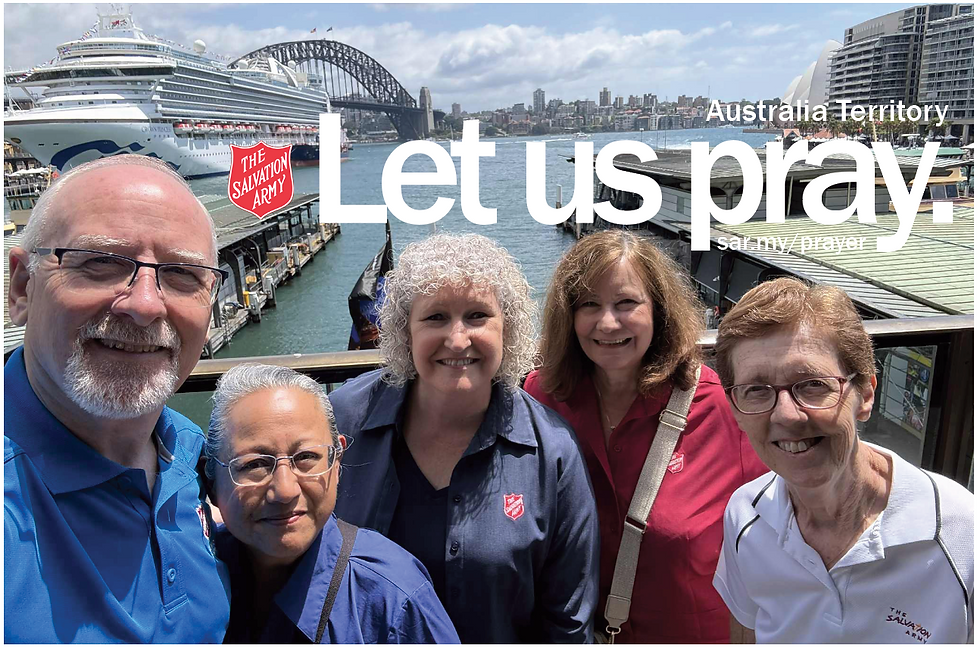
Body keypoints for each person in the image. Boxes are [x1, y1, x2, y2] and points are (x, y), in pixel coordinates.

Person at [329, 233, 599, 643]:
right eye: (435, 317)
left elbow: (567, 620)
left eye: (477, 316)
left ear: (507, 328)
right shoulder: (341, 419)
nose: (457, 339)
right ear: (405, 331)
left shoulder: (553, 452)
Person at [4, 156, 231, 642]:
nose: (145, 304)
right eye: (101, 262)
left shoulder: (189, 451)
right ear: (22, 287)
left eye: (182, 274)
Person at [524, 229, 767, 643]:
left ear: (659, 310)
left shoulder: (721, 408)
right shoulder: (541, 398)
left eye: (626, 303)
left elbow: (776, 531)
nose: (607, 322)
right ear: (568, 316)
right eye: (589, 305)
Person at [712, 277, 974, 643]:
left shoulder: (961, 534)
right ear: (736, 411)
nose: (787, 415)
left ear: (865, 394)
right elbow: (746, 630)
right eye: (756, 390)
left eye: (813, 384)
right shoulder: (745, 516)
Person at [205, 363, 459, 643]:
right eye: (254, 464)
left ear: (336, 462)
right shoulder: (191, 574)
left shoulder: (394, 600)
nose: (285, 490)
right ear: (212, 482)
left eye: (305, 458)